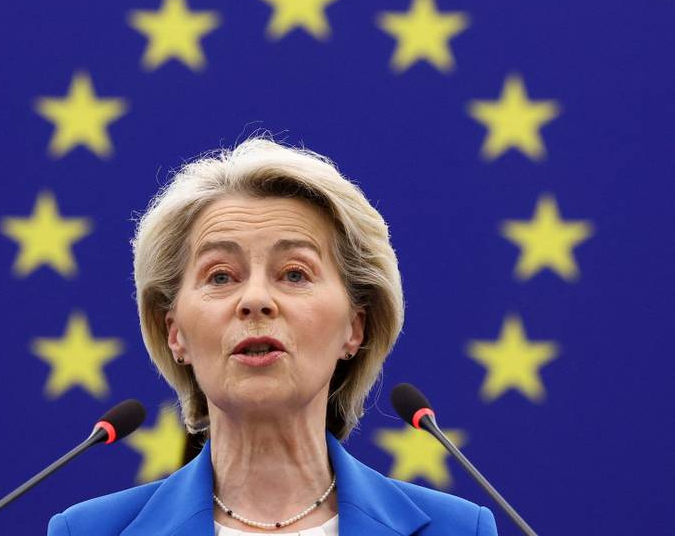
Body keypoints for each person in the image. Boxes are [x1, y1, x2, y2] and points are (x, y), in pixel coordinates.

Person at [47, 137, 498, 535]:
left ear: (355, 327)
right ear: (174, 332)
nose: (256, 300)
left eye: (295, 274)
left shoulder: (457, 529)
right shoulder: (89, 531)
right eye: (221, 276)